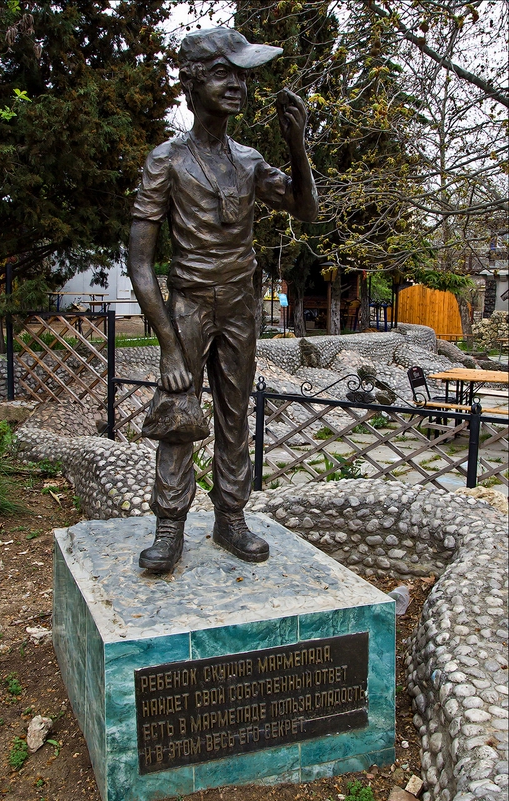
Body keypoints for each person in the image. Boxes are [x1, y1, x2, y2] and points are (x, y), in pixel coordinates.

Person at [128, 27, 318, 572]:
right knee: (178, 413)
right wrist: (166, 345)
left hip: (240, 302)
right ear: (192, 83)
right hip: (188, 305)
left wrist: (298, 146)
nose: (236, 85)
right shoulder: (167, 160)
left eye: (242, 76)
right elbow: (139, 263)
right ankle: (169, 526)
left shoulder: (250, 159)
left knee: (236, 415)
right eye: (222, 74)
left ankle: (231, 517)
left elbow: (306, 209)